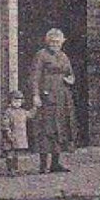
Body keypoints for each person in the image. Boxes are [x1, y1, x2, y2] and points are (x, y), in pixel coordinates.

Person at [29, 27, 78, 174]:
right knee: (46, 129)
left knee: (60, 129)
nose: (54, 44)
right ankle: (43, 164)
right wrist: (35, 95)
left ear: (62, 42)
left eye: (57, 42)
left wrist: (70, 80)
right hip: (47, 96)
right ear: (47, 42)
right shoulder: (41, 55)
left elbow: (71, 75)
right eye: (52, 41)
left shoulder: (64, 56)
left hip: (62, 97)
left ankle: (56, 163)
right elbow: (35, 77)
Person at [0, 89, 30, 175]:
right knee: (10, 154)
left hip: (20, 136)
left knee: (18, 154)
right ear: (10, 101)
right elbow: (5, 124)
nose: (17, 103)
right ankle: (10, 169)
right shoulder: (8, 112)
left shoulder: (22, 111)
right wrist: (8, 133)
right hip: (11, 135)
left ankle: (18, 168)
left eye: (19, 101)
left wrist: (36, 107)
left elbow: (30, 115)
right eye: (15, 101)